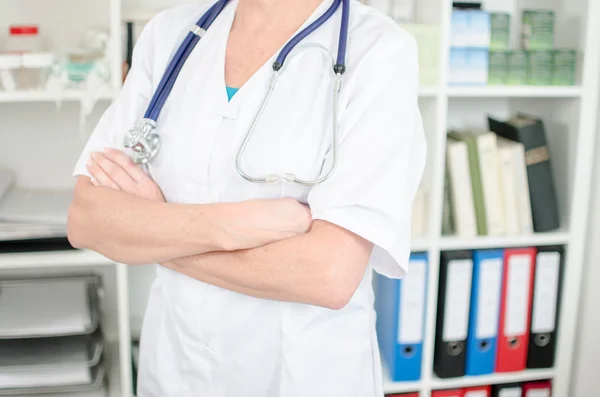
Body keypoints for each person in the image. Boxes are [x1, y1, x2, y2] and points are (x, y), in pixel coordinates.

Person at [67, 0, 426, 394]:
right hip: (174, 371)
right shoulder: (169, 35)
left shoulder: (378, 50)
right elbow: (87, 219)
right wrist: (235, 225)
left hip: (302, 376)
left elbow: (328, 274)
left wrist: (153, 228)